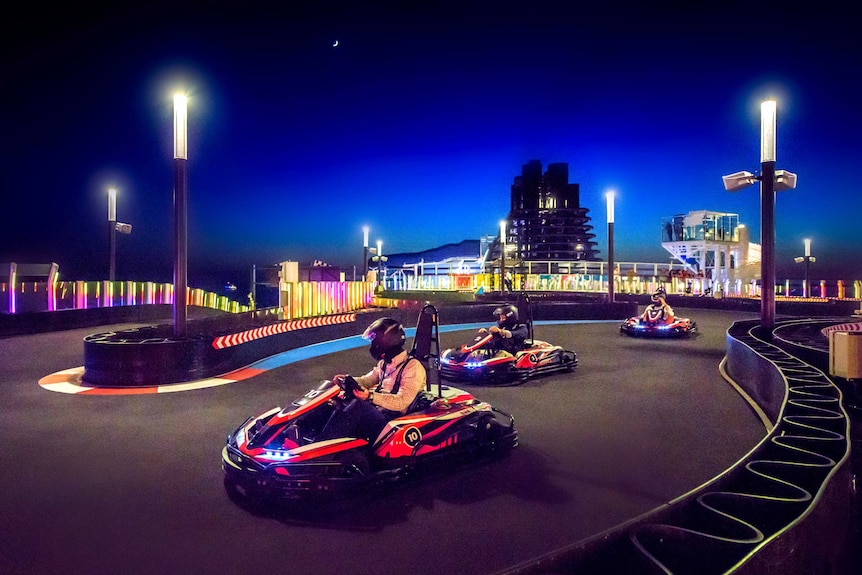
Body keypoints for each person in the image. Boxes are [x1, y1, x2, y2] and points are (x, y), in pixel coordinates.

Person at [317, 317, 426, 443]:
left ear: (386, 342)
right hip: (378, 411)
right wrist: (347, 380)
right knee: (335, 401)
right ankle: (300, 432)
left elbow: (401, 402)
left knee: (358, 406)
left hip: (392, 420)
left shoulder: (413, 367)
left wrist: (370, 396)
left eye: (374, 342)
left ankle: (320, 446)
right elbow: (367, 380)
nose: (372, 346)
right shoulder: (385, 364)